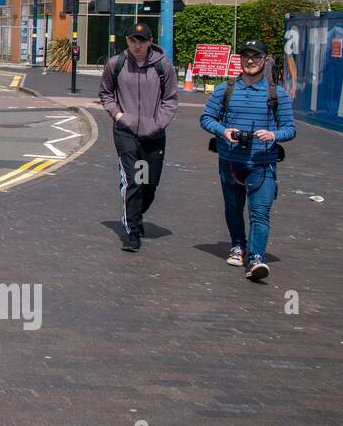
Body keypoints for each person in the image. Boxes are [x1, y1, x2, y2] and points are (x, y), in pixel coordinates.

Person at [199, 39, 295, 281]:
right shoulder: (225, 89)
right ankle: (238, 246)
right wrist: (223, 131)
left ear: (265, 60)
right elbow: (206, 119)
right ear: (240, 60)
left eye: (255, 56)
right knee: (233, 207)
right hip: (231, 161)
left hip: (263, 164)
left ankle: (256, 260)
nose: (250, 61)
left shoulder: (276, 94)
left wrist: (273, 135)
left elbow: (290, 129)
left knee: (260, 212)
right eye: (246, 56)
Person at [98, 22, 179, 252]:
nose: (137, 45)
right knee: (134, 179)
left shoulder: (163, 66)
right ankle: (132, 232)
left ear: (150, 41)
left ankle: (136, 214)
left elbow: (170, 99)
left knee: (148, 183)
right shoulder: (117, 64)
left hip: (153, 134)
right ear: (127, 42)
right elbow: (105, 93)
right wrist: (118, 115)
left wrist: (158, 123)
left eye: (141, 41)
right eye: (133, 40)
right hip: (126, 132)